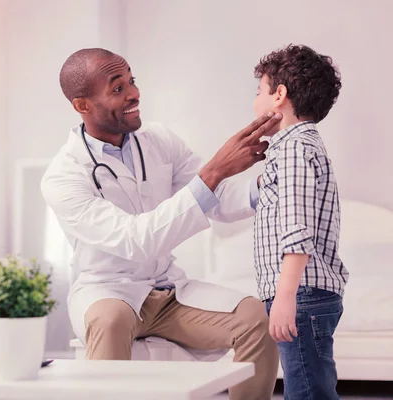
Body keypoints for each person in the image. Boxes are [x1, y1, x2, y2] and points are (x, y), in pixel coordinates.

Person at [41, 47, 281, 400]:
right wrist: (214, 170)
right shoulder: (63, 176)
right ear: (83, 106)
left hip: (168, 291)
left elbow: (218, 200)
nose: (135, 93)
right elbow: (138, 240)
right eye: (117, 88)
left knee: (258, 320)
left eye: (132, 81)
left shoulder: (159, 140)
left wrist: (268, 183)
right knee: (111, 320)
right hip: (108, 291)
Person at [252, 44, 349, 399]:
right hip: (305, 295)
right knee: (310, 387)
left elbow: (297, 230)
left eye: (259, 90)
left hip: (302, 294)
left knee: (307, 391)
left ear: (279, 95)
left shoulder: (294, 150)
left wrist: (284, 296)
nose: (255, 100)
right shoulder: (296, 146)